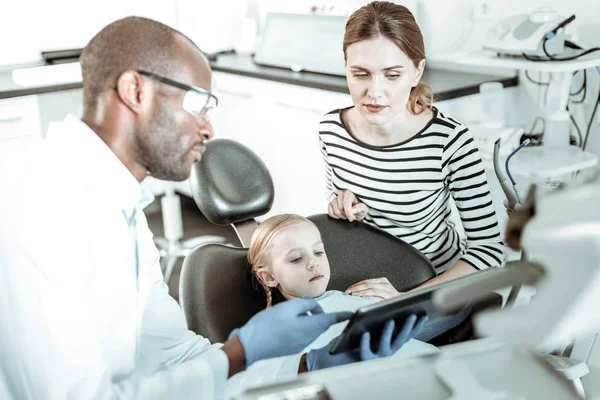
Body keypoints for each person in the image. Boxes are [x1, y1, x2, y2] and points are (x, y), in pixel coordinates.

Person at [0, 17, 364, 400]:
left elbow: (176, 357)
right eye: (198, 105)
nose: (208, 129)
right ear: (135, 91)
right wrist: (243, 350)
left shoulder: (124, 210)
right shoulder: (39, 208)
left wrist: (306, 366)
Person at [319, 1, 504, 303]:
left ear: (417, 72)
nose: (375, 92)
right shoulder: (331, 129)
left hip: (433, 287)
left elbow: (490, 251)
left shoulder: (449, 141)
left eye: (392, 75)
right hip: (364, 282)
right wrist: (338, 204)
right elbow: (333, 198)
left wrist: (405, 298)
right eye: (361, 74)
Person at [224, 214, 436, 398]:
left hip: (435, 373)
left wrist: (401, 304)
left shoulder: (356, 298)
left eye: (318, 252)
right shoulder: (279, 333)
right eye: (297, 259)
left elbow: (417, 330)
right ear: (269, 276)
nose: (313, 263)